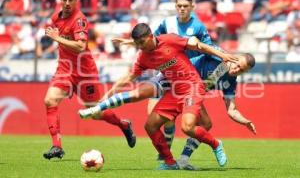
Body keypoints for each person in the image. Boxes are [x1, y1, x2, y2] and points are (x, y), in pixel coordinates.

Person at [80, 22, 239, 169]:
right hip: (173, 91)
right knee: (150, 125)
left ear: (150, 36)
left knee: (187, 127)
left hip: (193, 86)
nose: (140, 47)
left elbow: (199, 46)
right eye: (138, 44)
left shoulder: (169, 40)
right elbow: (129, 77)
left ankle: (216, 144)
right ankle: (170, 162)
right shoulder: (143, 56)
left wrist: (222, 56)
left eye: (142, 43)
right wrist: (109, 93)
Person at [42, 0, 136, 160]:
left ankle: (123, 124)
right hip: (64, 69)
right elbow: (59, 38)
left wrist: (57, 38)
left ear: (76, 0)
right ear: (60, 0)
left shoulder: (80, 19)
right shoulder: (56, 17)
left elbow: (81, 46)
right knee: (50, 100)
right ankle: (57, 146)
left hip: (85, 72)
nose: (67, 3)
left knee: (95, 112)